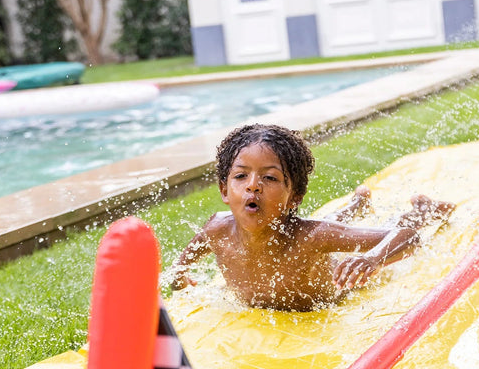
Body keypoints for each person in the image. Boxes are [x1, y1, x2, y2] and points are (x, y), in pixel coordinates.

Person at [169, 123, 454, 312]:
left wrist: (373, 258)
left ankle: (422, 211)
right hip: (315, 242)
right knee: (330, 224)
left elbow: (408, 238)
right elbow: (185, 259)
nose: (253, 185)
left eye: (269, 178)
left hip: (334, 274)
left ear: (294, 198)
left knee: (343, 229)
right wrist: (181, 275)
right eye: (241, 176)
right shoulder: (217, 229)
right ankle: (357, 203)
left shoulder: (312, 237)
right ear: (224, 190)